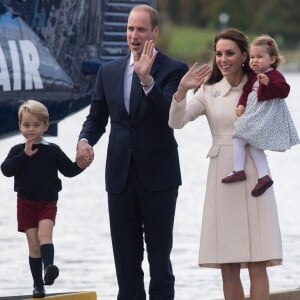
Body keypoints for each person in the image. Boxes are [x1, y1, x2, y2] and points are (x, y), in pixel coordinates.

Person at [76, 4, 188, 300]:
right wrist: (84, 141)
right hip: (119, 178)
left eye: (140, 29)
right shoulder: (108, 71)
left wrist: (147, 80)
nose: (133, 35)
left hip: (159, 179)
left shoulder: (175, 69)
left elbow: (171, 115)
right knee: (126, 263)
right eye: (129, 28)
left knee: (160, 262)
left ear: (154, 32)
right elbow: (96, 118)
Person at [169, 28, 282, 300]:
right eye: (219, 53)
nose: (223, 59)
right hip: (222, 174)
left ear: (244, 55)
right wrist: (182, 91)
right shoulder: (208, 91)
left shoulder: (260, 85)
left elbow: (279, 110)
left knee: (258, 259)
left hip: (255, 172)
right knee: (228, 263)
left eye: (230, 53)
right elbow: (177, 122)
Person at [1, 100, 84, 298]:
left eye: (36, 125)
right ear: (20, 126)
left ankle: (49, 268)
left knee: (45, 235)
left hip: (47, 202)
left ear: (45, 126)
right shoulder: (17, 150)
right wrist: (24, 156)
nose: (31, 129)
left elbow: (69, 170)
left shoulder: (52, 150)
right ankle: (38, 286)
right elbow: (6, 170)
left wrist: (83, 164)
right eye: (26, 125)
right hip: (26, 204)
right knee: (33, 244)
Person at [221, 34, 299, 197]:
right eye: (252, 57)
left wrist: (268, 84)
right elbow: (246, 91)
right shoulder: (252, 77)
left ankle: (238, 170)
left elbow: (284, 91)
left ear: (272, 60)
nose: (255, 60)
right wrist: (241, 104)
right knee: (255, 147)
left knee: (238, 136)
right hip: (254, 112)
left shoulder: (274, 75)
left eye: (260, 57)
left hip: (265, 115)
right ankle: (263, 177)